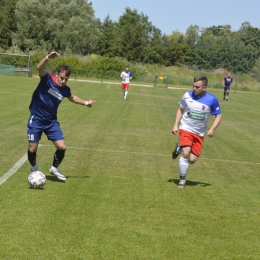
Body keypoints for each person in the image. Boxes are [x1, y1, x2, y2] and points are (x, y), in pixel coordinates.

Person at [27, 51, 95, 181]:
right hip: (36, 118)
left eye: (66, 79)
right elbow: (39, 67)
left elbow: (72, 98)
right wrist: (47, 57)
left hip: (51, 122)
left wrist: (86, 103)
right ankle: (34, 167)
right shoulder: (47, 79)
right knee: (32, 148)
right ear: (57, 74)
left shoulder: (65, 89)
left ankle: (54, 168)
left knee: (62, 147)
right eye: (62, 78)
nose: (63, 81)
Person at [171, 75, 222, 189]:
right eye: (194, 86)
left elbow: (218, 116)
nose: (194, 89)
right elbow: (180, 109)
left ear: (204, 87)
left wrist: (212, 129)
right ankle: (182, 180)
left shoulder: (212, 99)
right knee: (186, 153)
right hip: (186, 128)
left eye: (197, 87)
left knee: (192, 160)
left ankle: (179, 148)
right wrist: (175, 125)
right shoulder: (187, 96)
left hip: (199, 133)